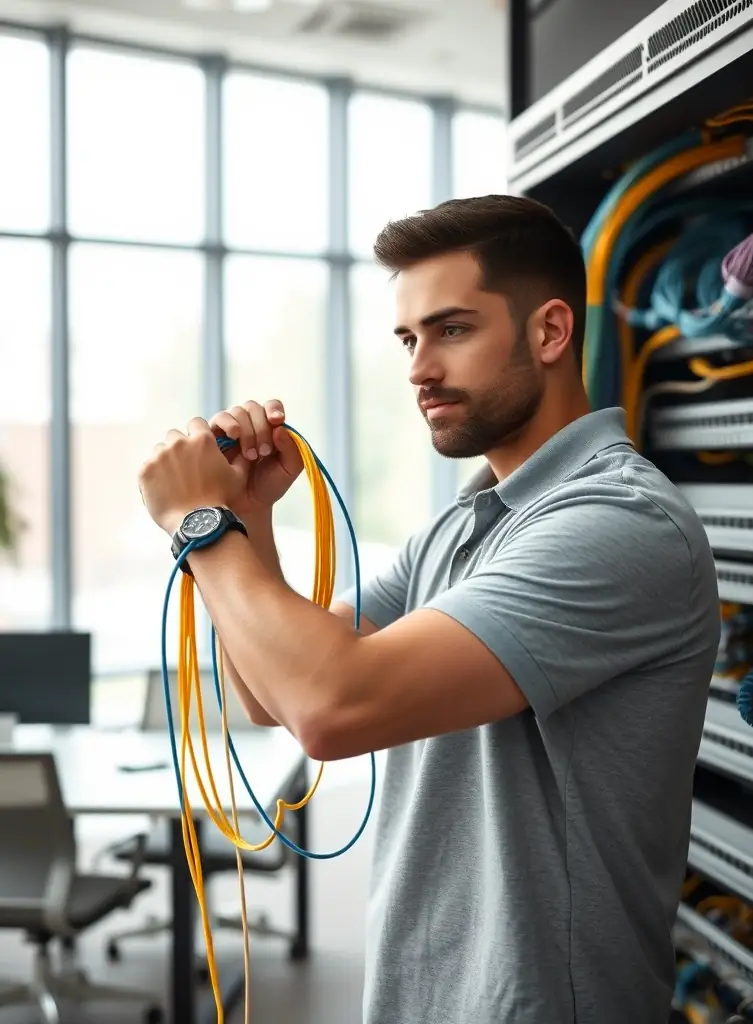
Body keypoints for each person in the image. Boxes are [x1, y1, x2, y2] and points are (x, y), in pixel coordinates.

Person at [138, 194, 722, 1024]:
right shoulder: (462, 524)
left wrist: (201, 526)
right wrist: (250, 519)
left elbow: (333, 708)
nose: (417, 368)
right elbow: (268, 695)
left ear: (550, 332)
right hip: (424, 993)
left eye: (451, 330)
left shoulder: (621, 524)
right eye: (409, 339)